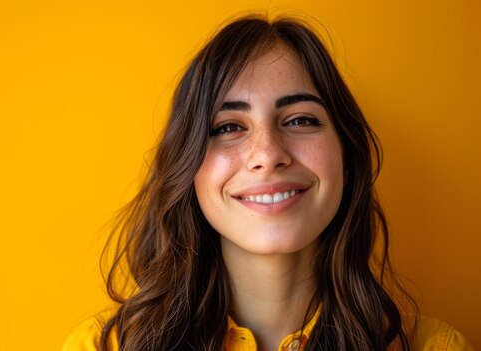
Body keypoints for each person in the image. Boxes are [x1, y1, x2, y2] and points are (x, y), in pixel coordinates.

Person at [62, 15, 474, 351]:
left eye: (300, 120)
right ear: (186, 166)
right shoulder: (104, 346)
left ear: (346, 156)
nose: (267, 154)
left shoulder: (435, 346)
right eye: (227, 127)